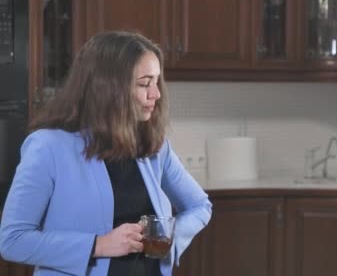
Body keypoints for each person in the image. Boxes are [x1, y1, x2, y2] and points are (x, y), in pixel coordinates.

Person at [0, 31, 212, 276]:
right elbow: (12, 240)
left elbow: (200, 206)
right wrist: (98, 245)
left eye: (157, 82)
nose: (156, 94)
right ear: (108, 88)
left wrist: (169, 239)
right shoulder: (48, 147)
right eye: (144, 84)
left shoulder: (153, 146)